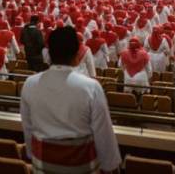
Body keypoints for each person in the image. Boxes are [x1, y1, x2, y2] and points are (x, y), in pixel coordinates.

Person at [20, 26, 121, 173]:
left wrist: (32, 154)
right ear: (76, 53)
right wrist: (110, 165)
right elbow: (103, 134)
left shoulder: (29, 84)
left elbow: (28, 128)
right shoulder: (91, 87)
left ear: (48, 53)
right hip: (81, 167)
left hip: (43, 166)